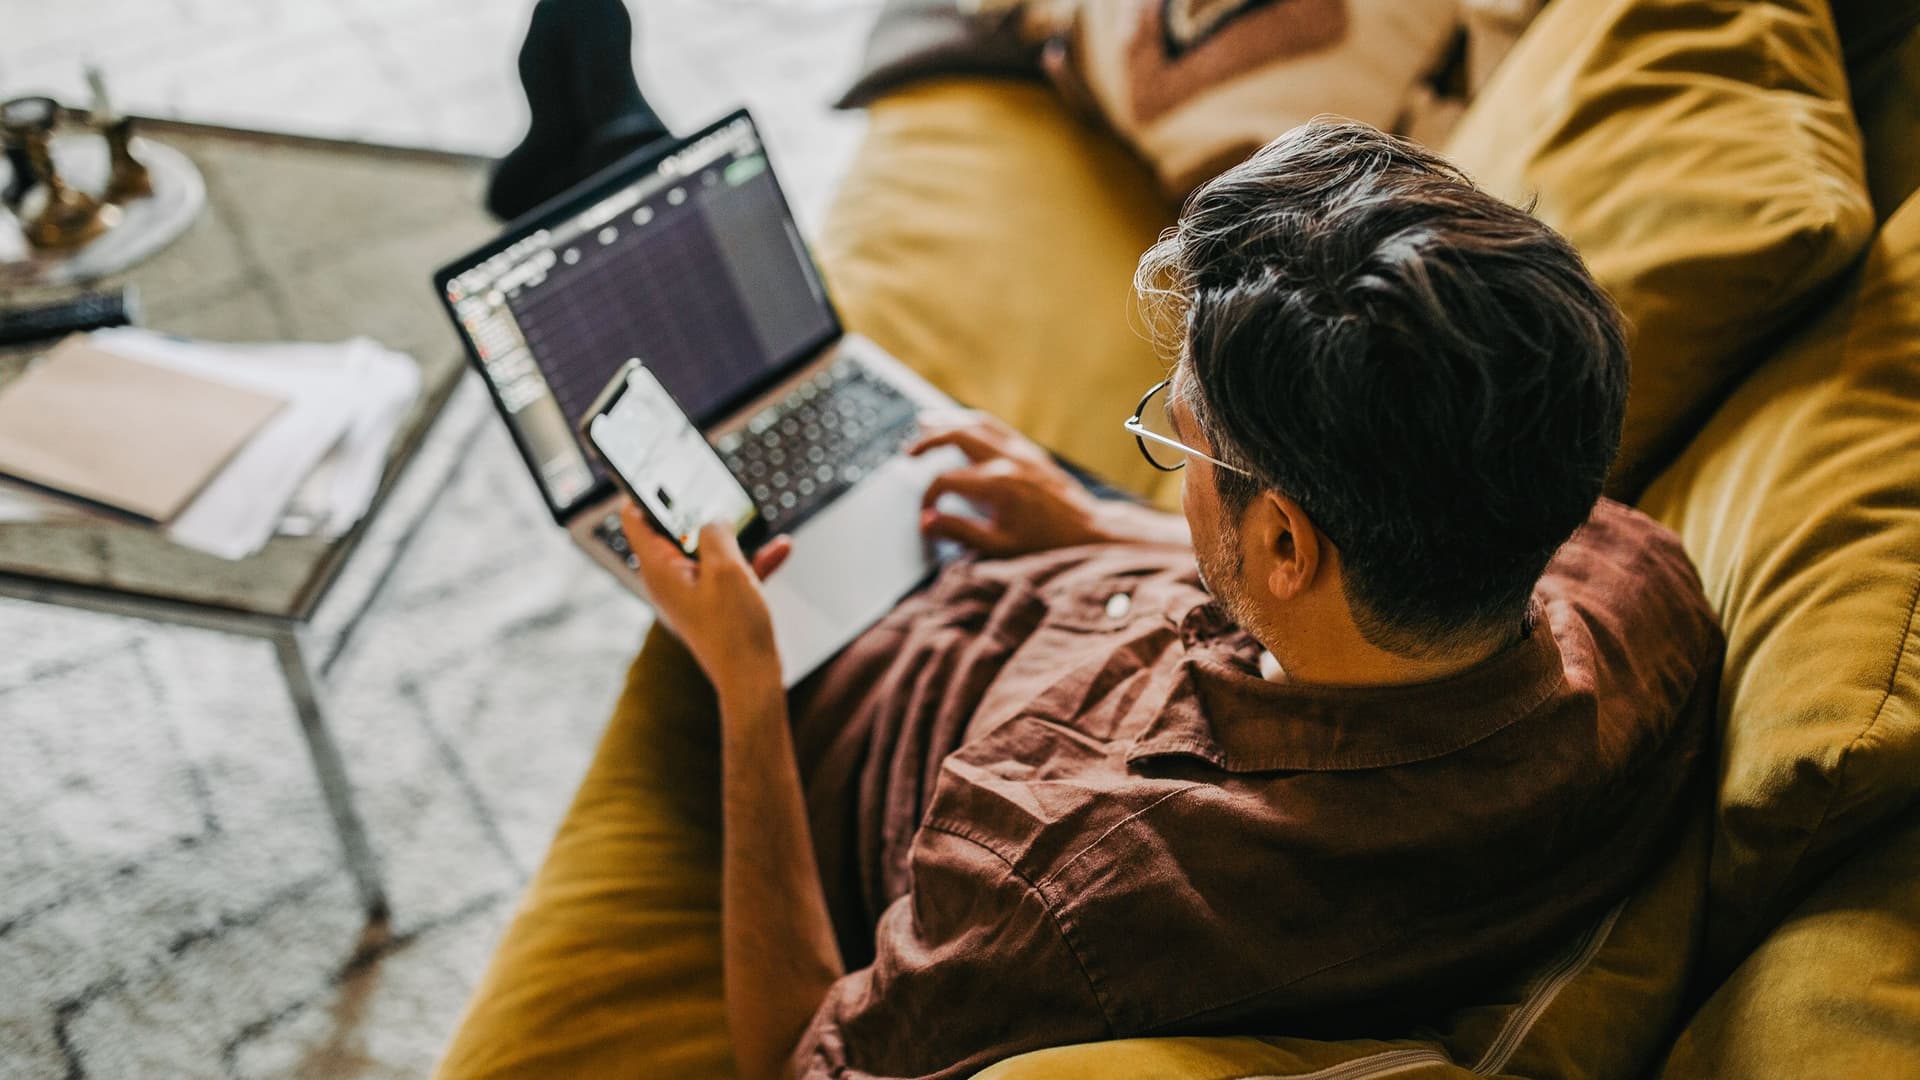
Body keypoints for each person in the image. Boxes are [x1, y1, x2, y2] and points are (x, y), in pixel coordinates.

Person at [602, 117, 1722, 1080]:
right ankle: (609, 137)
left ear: (1285, 542)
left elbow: (806, 1057)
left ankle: (602, 142)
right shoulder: (1640, 594)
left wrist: (746, 682)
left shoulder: (1063, 885)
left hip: (834, 669)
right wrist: (1098, 520)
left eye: (1178, 436)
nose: (1173, 459)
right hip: (1080, 577)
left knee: (639, 358)